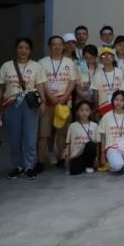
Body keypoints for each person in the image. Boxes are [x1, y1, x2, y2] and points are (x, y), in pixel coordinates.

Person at [0, 38, 47, 180]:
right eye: (20, 47)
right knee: (14, 137)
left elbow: (40, 85)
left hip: (30, 105)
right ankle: (18, 166)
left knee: (30, 136)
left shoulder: (36, 66)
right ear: (16, 49)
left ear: (30, 50)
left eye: (26, 48)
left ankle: (29, 166)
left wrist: (43, 103)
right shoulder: (6, 66)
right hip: (11, 105)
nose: (23, 50)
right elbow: (0, 87)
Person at [38, 35, 80, 171]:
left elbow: (72, 81)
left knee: (63, 133)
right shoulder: (42, 63)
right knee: (44, 134)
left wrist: (65, 96)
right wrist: (50, 96)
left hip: (63, 103)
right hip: (48, 102)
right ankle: (40, 162)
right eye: (54, 44)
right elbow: (41, 82)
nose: (57, 47)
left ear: (63, 46)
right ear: (49, 47)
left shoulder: (69, 62)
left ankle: (62, 158)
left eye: (59, 44)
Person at [98, 90, 124, 174]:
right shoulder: (106, 116)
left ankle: (123, 164)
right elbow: (103, 137)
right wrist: (102, 155)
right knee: (117, 165)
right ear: (112, 100)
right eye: (116, 99)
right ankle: (116, 164)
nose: (119, 102)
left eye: (122, 100)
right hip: (112, 148)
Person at [65, 100, 99, 175]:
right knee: (74, 171)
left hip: (89, 153)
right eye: (81, 110)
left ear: (90, 112)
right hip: (77, 155)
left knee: (91, 145)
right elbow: (68, 143)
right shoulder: (72, 126)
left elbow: (97, 144)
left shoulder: (95, 126)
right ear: (77, 112)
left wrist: (97, 159)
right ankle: (82, 165)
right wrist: (67, 155)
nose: (84, 112)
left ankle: (89, 165)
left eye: (87, 110)